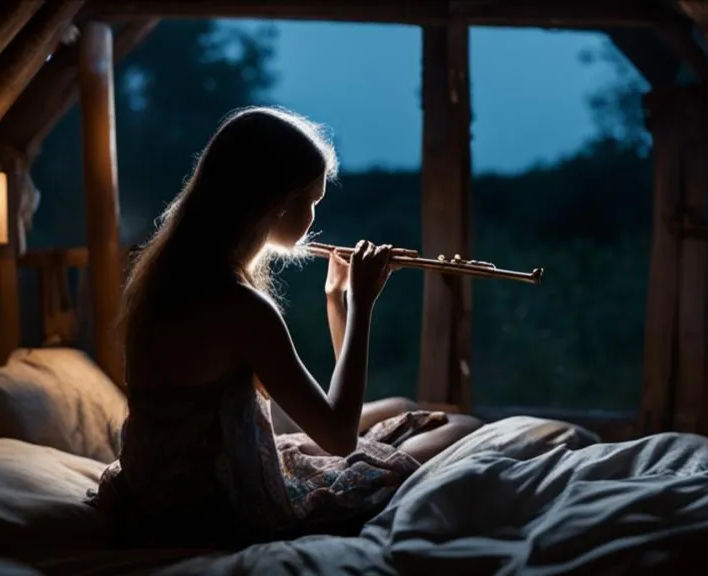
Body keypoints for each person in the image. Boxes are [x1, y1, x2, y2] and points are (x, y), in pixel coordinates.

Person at [88, 106, 483, 549]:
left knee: (402, 405)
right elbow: (338, 436)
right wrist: (363, 305)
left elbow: (336, 407)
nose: (314, 218)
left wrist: (338, 300)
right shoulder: (241, 305)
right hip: (216, 505)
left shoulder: (168, 277)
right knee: (457, 428)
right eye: (310, 202)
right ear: (275, 202)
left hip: (161, 489)